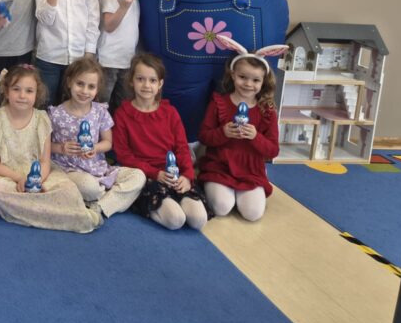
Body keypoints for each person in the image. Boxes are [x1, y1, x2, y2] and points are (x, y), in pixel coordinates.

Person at [0, 64, 100, 233]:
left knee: (68, 191)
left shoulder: (42, 119)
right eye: (16, 89)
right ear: (6, 91)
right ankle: (57, 212)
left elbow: (45, 161)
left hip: (38, 174)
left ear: (37, 94)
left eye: (29, 91)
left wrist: (36, 182)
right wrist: (19, 178)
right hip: (4, 175)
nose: (22, 96)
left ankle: (5, 208)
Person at [113, 54, 210, 231]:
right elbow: (123, 155)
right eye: (140, 79)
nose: (146, 85)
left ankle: (172, 200)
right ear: (131, 81)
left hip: (173, 174)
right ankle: (144, 204)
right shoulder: (122, 114)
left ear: (160, 84)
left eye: (152, 80)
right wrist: (154, 173)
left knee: (198, 220)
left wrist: (187, 176)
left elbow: (182, 148)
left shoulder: (170, 112)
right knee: (176, 220)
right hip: (146, 176)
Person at [48, 58, 144, 226]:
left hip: (99, 168)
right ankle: (111, 197)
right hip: (70, 170)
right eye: (80, 84)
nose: (84, 91)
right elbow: (44, 146)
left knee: (138, 176)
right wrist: (61, 148)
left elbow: (108, 143)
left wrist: (96, 147)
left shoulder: (100, 111)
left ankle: (98, 206)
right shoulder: (55, 114)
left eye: (91, 86)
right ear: (69, 82)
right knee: (88, 187)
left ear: (97, 89)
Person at [198, 51, 280, 221]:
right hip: (220, 167)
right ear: (233, 75)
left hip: (251, 170)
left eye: (255, 80)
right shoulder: (219, 103)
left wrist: (255, 137)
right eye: (243, 77)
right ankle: (226, 194)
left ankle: (240, 196)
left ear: (263, 82)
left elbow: (273, 150)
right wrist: (223, 133)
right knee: (221, 208)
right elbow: (204, 136)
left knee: (253, 214)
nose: (248, 84)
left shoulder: (267, 111)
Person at [97, 0, 150, 110]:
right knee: (102, 105)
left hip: (126, 59)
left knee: (121, 105)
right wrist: (123, 7)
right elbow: (109, 25)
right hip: (109, 59)